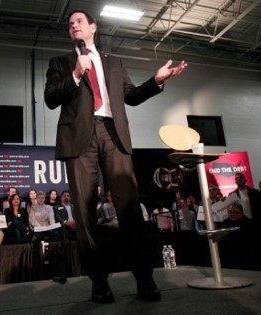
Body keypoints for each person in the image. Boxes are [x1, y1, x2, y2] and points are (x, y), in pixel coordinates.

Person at [44, 9, 187, 303]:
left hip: (113, 133)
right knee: (85, 215)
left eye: (79, 22)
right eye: (70, 24)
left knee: (130, 211)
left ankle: (145, 280)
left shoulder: (114, 62)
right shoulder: (60, 62)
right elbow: (49, 98)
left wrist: (156, 80)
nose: (74, 26)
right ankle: (99, 283)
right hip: (79, 139)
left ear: (93, 27)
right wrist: (74, 74)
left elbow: (131, 97)